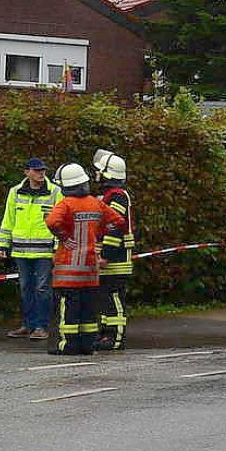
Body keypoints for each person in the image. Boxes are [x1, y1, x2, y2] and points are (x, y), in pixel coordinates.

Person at [44, 163, 124, 356]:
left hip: (68, 270)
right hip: (90, 269)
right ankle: (87, 345)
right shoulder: (96, 203)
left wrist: (64, 237)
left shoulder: (66, 204)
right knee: (88, 309)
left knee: (68, 308)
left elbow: (52, 222)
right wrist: (98, 232)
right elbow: (119, 222)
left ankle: (68, 345)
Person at [0, 158, 62, 340]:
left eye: (43, 171)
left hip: (44, 251)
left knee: (42, 288)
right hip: (21, 251)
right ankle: (28, 325)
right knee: (25, 288)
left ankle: (41, 326)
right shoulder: (15, 192)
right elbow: (8, 219)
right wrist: (2, 244)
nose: (41, 174)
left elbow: (60, 222)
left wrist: (57, 248)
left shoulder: (55, 192)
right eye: (37, 170)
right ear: (27, 172)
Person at [92, 148, 135, 351]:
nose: (96, 174)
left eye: (99, 170)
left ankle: (115, 338)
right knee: (104, 298)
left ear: (107, 173)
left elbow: (114, 227)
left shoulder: (117, 196)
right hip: (107, 259)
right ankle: (105, 335)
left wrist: (106, 255)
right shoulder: (108, 196)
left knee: (114, 298)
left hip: (115, 260)